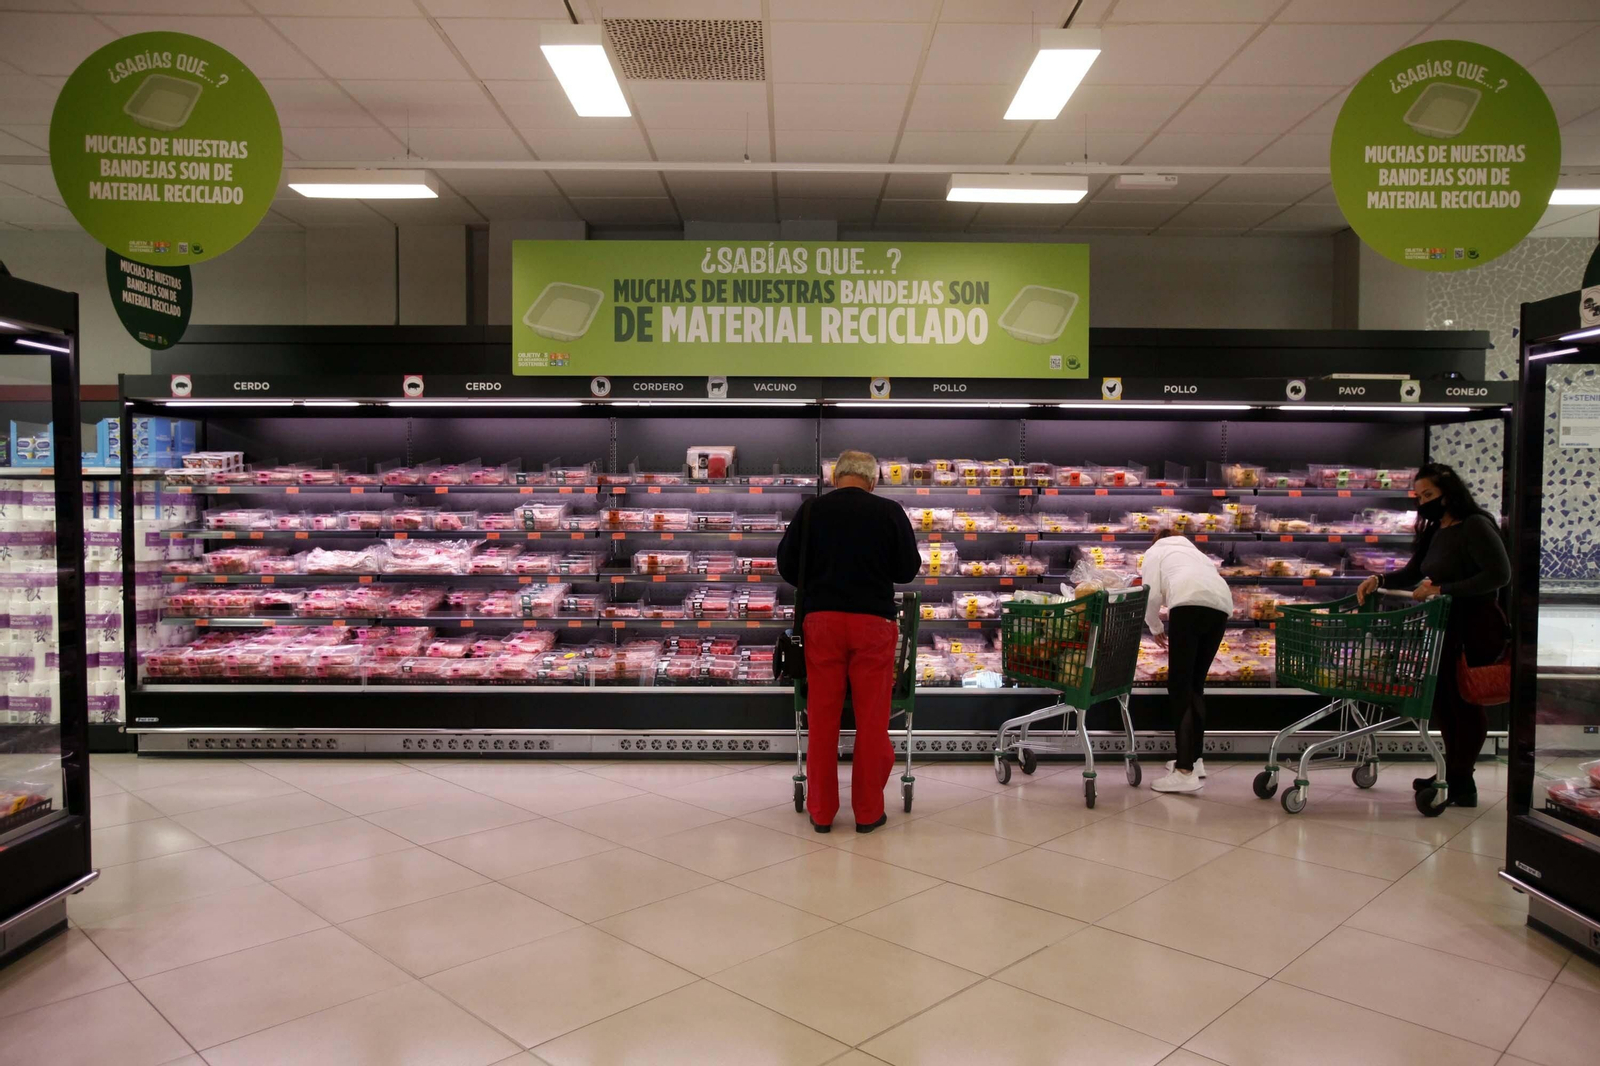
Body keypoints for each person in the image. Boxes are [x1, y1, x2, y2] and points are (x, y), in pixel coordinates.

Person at [777, 450, 920, 833]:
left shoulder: (810, 512)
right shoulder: (889, 511)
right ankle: (868, 812)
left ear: (835, 478)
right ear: (873, 481)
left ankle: (822, 812)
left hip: (821, 623)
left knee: (822, 719)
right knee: (872, 721)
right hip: (873, 624)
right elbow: (907, 571)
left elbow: (788, 568)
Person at [1357, 462, 1509, 807]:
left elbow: (1499, 574)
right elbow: (1413, 573)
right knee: (1442, 701)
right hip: (1442, 624)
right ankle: (1451, 771)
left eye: (1429, 494)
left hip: (1476, 624)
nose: (1423, 501)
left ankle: (1461, 780)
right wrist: (1379, 579)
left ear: (1448, 493)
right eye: (1419, 495)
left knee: (1465, 701)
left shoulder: (1475, 525)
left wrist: (1444, 588)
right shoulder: (1435, 529)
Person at [1140, 529, 1235, 794]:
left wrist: (1155, 627)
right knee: (1195, 685)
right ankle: (1196, 760)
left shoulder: (1155, 552)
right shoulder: (1196, 554)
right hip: (1221, 607)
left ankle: (1184, 770)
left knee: (1180, 687)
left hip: (1188, 605)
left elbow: (1150, 593)